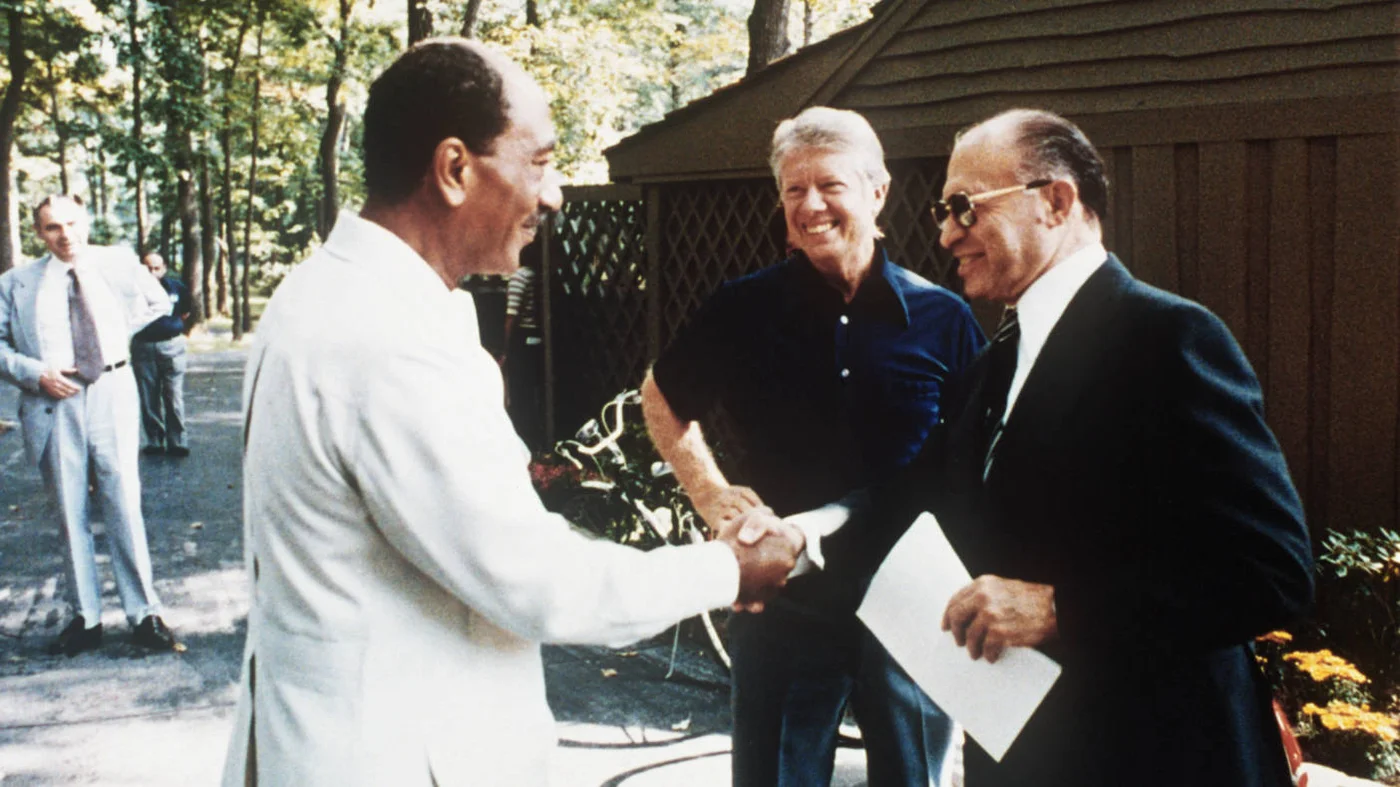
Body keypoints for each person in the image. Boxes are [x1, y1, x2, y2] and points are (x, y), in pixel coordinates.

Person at [220, 38, 800, 787]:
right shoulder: (390, 335)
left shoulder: (315, 294)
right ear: (455, 168)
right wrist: (726, 569)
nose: (553, 194)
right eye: (541, 161)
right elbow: (537, 580)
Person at [747, 108, 1315, 786]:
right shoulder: (996, 364)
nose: (946, 232)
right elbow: (908, 496)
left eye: (965, 208)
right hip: (1025, 756)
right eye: (943, 210)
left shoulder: (1169, 339)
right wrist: (799, 537)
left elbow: (1274, 570)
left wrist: (1057, 608)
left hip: (1159, 756)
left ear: (1056, 201)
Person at [641, 106, 984, 787]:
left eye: (829, 185)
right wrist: (710, 491)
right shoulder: (742, 308)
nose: (811, 205)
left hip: (912, 600)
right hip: (784, 600)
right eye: (794, 190)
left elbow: (973, 459)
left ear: (877, 191)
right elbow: (662, 395)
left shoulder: (944, 319)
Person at [0, 194, 179, 656]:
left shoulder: (117, 264)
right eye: (53, 227)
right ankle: (87, 617)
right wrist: (34, 372)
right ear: (40, 233)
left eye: (73, 224)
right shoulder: (17, 282)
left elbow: (158, 302)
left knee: (124, 502)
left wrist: (118, 337)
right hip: (53, 400)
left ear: (87, 222)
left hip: (112, 390)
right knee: (69, 510)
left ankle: (144, 613)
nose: (66, 235)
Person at [131, 252, 193, 457]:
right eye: (148, 268)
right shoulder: (133, 290)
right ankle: (154, 440)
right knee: (148, 395)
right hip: (143, 346)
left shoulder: (176, 287)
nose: (152, 272)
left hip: (171, 346)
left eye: (156, 268)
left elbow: (185, 312)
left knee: (173, 394)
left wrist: (171, 328)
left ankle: (178, 441)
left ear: (164, 268)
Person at [499, 237, 546, 449]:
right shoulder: (540, 276)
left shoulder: (519, 277)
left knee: (520, 390)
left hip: (523, 338)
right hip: (538, 338)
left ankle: (523, 436)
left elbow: (512, 315)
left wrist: (506, 346)